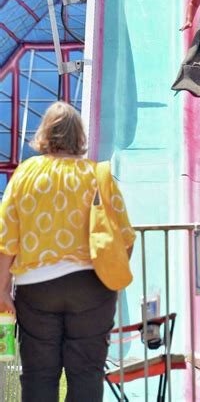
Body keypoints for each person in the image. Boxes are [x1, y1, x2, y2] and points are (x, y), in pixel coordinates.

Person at [0, 101, 136, 402]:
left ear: (45, 133)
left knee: (38, 375)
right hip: (91, 285)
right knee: (86, 373)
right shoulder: (97, 176)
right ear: (79, 136)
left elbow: (6, 238)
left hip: (36, 288)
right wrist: (110, 277)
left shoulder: (25, 175)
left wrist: (2, 290)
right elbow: (125, 236)